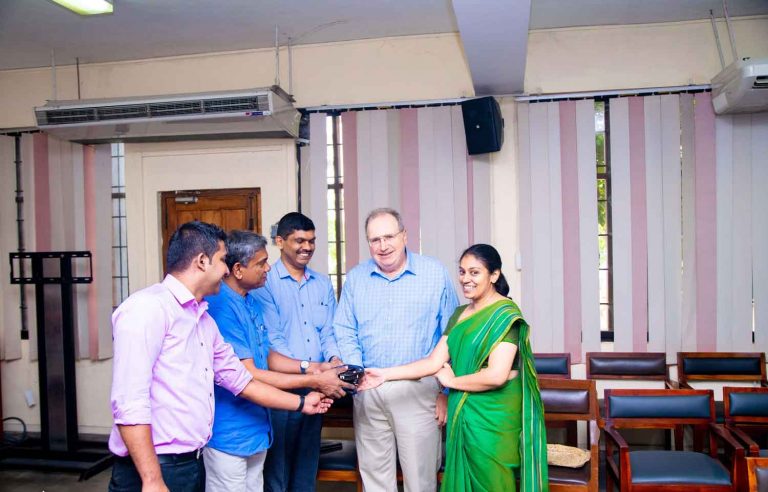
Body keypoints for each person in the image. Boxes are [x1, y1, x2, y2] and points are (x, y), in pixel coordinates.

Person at [108, 221, 332, 492]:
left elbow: (242, 381)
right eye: (223, 260)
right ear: (202, 262)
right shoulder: (147, 309)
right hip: (153, 467)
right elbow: (129, 403)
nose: (227, 270)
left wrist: (302, 403)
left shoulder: (203, 319)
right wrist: (152, 479)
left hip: (190, 460)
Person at [360, 244, 549, 492]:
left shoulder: (505, 314)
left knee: (492, 482)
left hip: (494, 415)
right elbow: (432, 363)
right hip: (464, 411)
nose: (465, 279)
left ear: (494, 275)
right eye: (462, 272)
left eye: (474, 272)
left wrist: (451, 383)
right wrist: (384, 375)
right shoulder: (460, 314)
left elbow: (497, 375)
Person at [204, 230, 354, 492]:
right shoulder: (221, 306)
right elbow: (248, 373)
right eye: (262, 263)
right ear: (238, 269)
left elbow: (266, 356)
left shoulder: (249, 300)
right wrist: (313, 382)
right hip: (230, 432)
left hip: (256, 427)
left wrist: (312, 367)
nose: (268, 268)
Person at [333, 208, 459, 492]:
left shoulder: (434, 273)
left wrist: (446, 393)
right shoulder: (356, 278)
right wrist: (357, 375)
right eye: (375, 240)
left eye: (389, 237)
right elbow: (344, 329)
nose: (383, 246)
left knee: (420, 481)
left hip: (418, 391)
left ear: (404, 236)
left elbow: (452, 336)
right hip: (369, 392)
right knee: (375, 480)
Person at [251, 212, 344, 492]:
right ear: (280, 241)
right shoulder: (264, 282)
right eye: (299, 241)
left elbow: (328, 331)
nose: (307, 247)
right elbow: (273, 340)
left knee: (306, 467)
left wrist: (334, 361)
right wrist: (311, 372)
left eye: (312, 241)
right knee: (277, 470)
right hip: (282, 387)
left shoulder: (322, 283)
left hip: (318, 387)